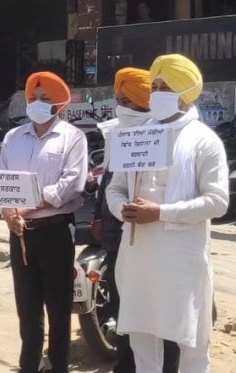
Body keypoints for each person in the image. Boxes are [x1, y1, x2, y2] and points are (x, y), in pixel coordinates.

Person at [106, 54, 229, 372]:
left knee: (191, 341)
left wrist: (161, 212)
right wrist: (124, 209)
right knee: (142, 339)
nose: (156, 92)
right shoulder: (137, 134)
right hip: (137, 255)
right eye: (155, 85)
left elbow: (217, 202)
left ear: (185, 93)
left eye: (165, 86)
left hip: (181, 261)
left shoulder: (204, 140)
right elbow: (114, 188)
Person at [93, 68, 182, 373]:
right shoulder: (117, 133)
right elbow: (109, 184)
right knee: (124, 310)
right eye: (120, 101)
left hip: (159, 240)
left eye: (130, 102)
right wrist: (101, 217)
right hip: (119, 238)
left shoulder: (166, 133)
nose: (124, 108)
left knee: (160, 314)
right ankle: (125, 365)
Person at [0, 72, 87, 373]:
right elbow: (1, 183)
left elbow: (71, 185)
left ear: (60, 104)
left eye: (45, 99)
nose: (37, 104)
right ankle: (29, 365)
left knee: (59, 308)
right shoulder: (13, 137)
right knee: (27, 307)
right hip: (20, 233)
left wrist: (23, 207)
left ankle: (58, 364)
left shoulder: (73, 138)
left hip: (56, 231)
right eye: (33, 98)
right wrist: (9, 213)